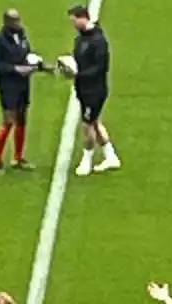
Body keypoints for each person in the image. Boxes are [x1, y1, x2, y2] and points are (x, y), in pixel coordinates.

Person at [0, 8, 47, 175]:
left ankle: (18, 158)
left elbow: (26, 56)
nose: (18, 23)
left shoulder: (22, 36)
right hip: (8, 86)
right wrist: (15, 69)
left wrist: (40, 66)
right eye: (14, 20)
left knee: (21, 120)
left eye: (18, 20)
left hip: (23, 85)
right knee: (8, 121)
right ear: (7, 22)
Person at [68, 5, 120, 176]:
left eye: (75, 21)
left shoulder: (98, 41)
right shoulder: (80, 40)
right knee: (95, 123)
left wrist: (79, 74)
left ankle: (87, 161)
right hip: (83, 89)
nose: (73, 25)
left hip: (95, 90)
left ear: (83, 18)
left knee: (87, 125)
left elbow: (100, 67)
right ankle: (111, 156)